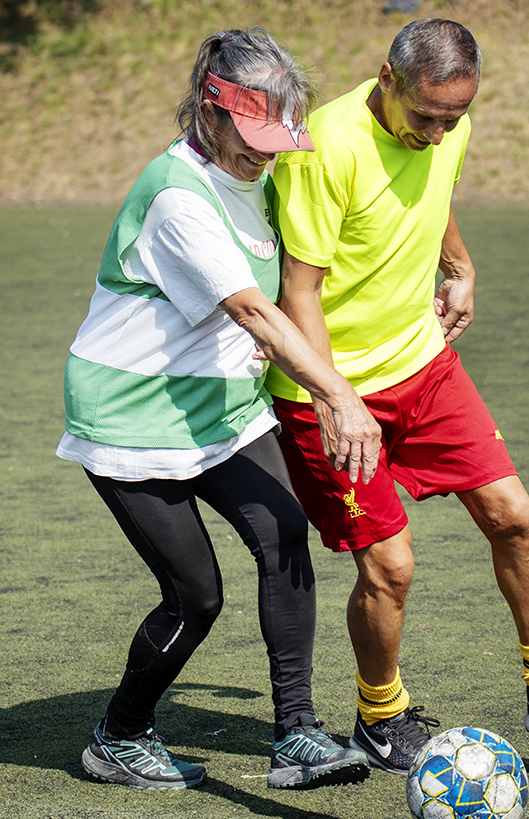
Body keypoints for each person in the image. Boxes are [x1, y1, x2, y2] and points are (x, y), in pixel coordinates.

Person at [265, 18, 529, 775]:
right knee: (391, 566)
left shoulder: (446, 125)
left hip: (422, 367)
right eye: (424, 116)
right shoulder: (325, 149)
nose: (436, 132)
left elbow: (433, 193)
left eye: (452, 118)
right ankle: (380, 714)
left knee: (515, 516)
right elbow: (300, 290)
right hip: (328, 388)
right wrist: (338, 399)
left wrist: (458, 262)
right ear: (386, 78)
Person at [56, 27, 381, 791]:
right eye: (252, 135)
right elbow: (252, 311)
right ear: (210, 111)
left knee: (285, 537)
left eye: (277, 136)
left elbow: (304, 261)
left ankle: (297, 735)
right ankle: (118, 735)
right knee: (196, 595)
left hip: (222, 409)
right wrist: (339, 396)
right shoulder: (177, 197)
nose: (265, 153)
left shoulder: (261, 176)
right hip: (131, 416)